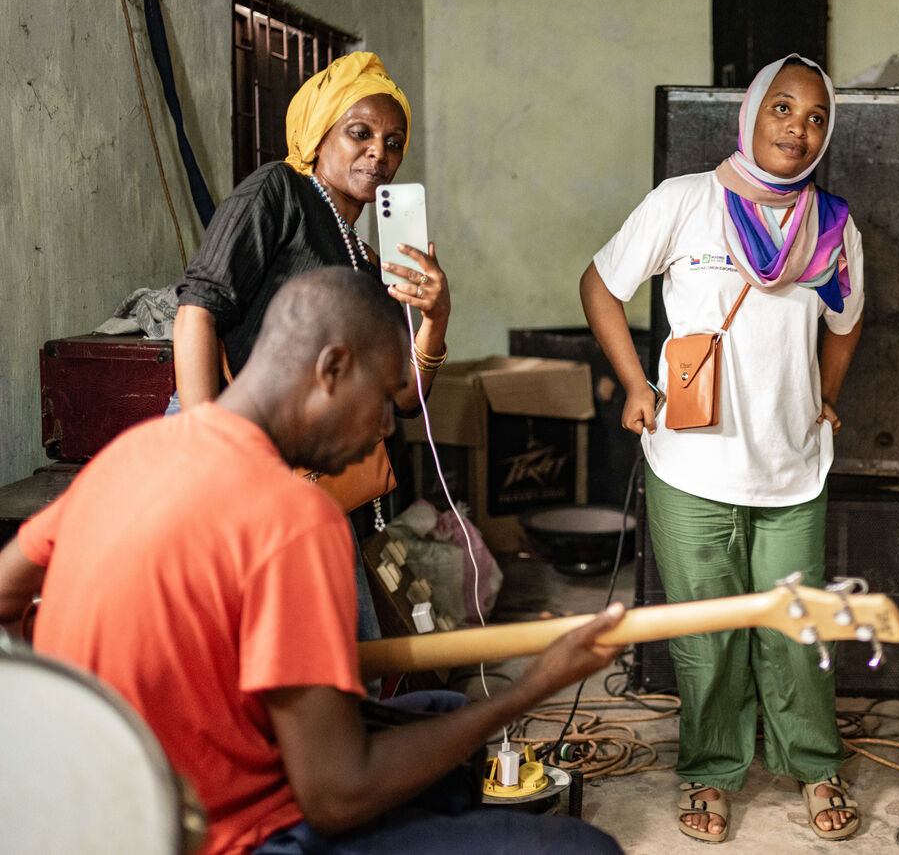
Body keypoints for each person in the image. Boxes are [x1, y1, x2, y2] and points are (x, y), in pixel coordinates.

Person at [0, 268, 625, 855]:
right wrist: (535, 686)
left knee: (446, 716)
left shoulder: (131, 454)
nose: (386, 426)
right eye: (384, 396)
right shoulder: (294, 516)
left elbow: (5, 593)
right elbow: (336, 796)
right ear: (332, 368)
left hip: (115, 815)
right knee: (585, 848)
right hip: (234, 836)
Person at [580, 54, 864, 843]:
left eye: (815, 117)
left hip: (791, 466)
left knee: (796, 632)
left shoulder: (833, 225)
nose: (798, 128)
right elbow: (600, 285)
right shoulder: (685, 201)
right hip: (691, 463)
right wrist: (635, 384)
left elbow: (846, 323)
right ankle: (710, 770)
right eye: (783, 108)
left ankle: (814, 762)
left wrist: (826, 394)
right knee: (707, 637)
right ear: (751, 113)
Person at [172, 51, 452, 642]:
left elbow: (406, 400)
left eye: (393, 143)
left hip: (315, 474)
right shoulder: (278, 192)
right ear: (319, 135)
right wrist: (207, 452)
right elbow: (198, 310)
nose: (379, 153)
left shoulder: (370, 258)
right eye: (360, 133)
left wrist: (435, 317)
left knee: (343, 645)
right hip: (237, 451)